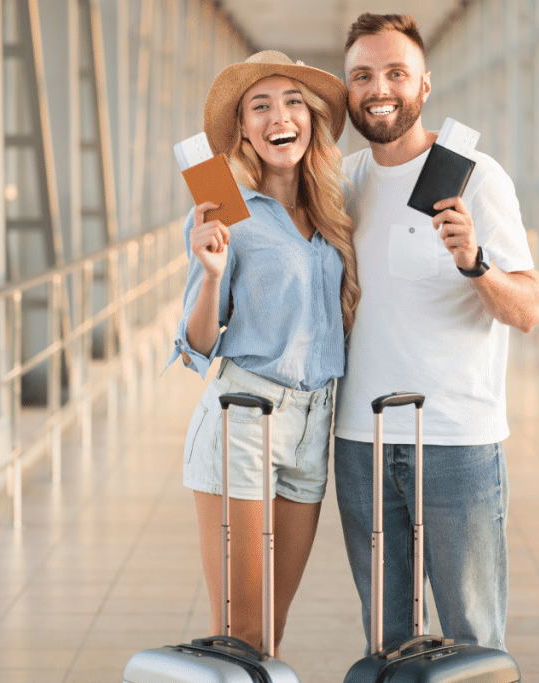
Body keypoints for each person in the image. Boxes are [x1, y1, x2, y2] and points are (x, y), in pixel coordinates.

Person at [333, 13, 539, 654]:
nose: (380, 88)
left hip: (455, 443)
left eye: (397, 73)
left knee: (472, 639)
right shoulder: (343, 183)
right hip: (361, 443)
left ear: (425, 86)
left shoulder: (477, 177)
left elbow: (529, 307)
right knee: (386, 641)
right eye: (363, 75)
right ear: (347, 91)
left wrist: (475, 263)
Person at [165, 50, 359, 656]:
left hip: (313, 426)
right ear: (245, 130)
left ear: (311, 120)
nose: (282, 116)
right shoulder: (227, 209)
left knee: (269, 632)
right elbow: (196, 347)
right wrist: (213, 273)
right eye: (262, 105)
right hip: (243, 418)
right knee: (243, 636)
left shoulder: (331, 212)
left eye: (294, 101)